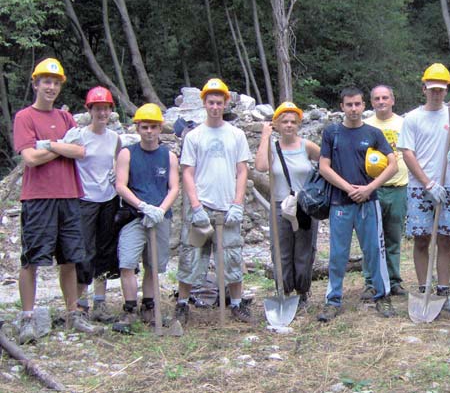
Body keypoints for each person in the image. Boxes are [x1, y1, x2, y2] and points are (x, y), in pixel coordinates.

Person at [13, 58, 96, 343]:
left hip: (69, 195)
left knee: (70, 258)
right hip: (38, 199)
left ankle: (73, 314)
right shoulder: (24, 117)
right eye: (46, 81)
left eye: (55, 82)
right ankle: (27, 318)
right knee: (31, 260)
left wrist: (47, 145)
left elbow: (81, 151)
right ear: (35, 83)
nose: (50, 86)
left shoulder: (66, 119)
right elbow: (31, 158)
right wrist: (63, 148)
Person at [317, 87, 398, 322]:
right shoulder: (332, 133)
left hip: (369, 202)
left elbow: (392, 165)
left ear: (364, 106)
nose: (354, 109)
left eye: (358, 104)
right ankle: (333, 300)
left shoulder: (373, 133)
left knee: (374, 251)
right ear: (341, 106)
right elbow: (324, 166)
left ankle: (382, 296)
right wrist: (348, 188)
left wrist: (370, 188)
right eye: (349, 104)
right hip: (339, 202)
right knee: (338, 254)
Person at [176, 78, 252, 325]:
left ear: (226, 103)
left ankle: (237, 305)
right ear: (204, 104)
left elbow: (242, 171)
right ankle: (182, 304)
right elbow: (187, 172)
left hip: (227, 207)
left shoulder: (236, 135)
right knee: (191, 256)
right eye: (211, 102)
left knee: (231, 256)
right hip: (201, 207)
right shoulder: (194, 135)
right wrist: (195, 206)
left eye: (219, 102)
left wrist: (238, 204)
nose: (215, 107)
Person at [398, 63, 450, 296]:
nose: (436, 93)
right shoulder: (413, 118)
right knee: (421, 239)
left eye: (441, 89)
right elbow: (407, 153)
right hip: (420, 187)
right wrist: (427, 182)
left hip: (448, 184)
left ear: (447, 90)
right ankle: (423, 285)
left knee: (446, 239)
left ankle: (443, 287)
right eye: (432, 89)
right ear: (424, 88)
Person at [113, 103, 179, 332]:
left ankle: (149, 306)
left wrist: (160, 210)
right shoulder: (127, 153)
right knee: (127, 263)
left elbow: (174, 188)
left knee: (153, 265)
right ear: (138, 128)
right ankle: (130, 308)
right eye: (144, 127)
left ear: (160, 128)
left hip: (160, 218)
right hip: (134, 216)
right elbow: (120, 185)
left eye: (153, 127)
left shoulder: (168, 156)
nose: (149, 131)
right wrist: (142, 206)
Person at [255, 101, 320, 306]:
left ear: (299, 124)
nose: (289, 125)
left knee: (304, 249)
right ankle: (283, 290)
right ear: (277, 124)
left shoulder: (306, 146)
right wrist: (265, 136)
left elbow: (327, 164)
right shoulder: (272, 148)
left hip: (304, 206)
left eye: (293, 121)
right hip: (279, 204)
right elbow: (261, 166)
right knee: (280, 250)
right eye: (284, 121)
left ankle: (302, 292)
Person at [67, 87, 121, 323]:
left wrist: (116, 174)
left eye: (105, 108)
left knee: (105, 250)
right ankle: (80, 304)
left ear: (110, 110)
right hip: (85, 199)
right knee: (84, 251)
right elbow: (63, 155)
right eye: (97, 108)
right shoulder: (78, 136)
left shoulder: (114, 138)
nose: (102, 113)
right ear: (89, 110)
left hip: (108, 199)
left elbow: (118, 161)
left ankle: (100, 302)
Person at [361, 85, 409, 298]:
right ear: (371, 102)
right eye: (377, 98)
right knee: (370, 237)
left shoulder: (403, 124)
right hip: (372, 189)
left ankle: (394, 280)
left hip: (398, 187)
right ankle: (371, 282)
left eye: (385, 98)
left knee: (393, 237)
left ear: (392, 100)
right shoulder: (365, 125)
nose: (381, 102)